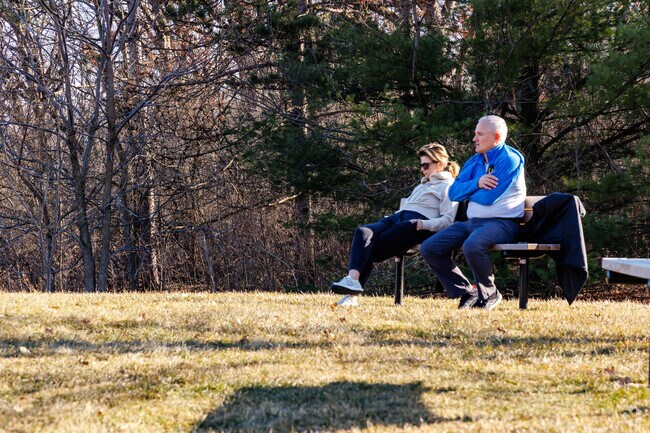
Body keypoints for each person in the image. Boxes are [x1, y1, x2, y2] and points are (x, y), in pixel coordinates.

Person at [331, 143, 460, 306]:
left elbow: (447, 220)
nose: (422, 169)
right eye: (421, 165)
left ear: (440, 164)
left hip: (413, 225)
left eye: (426, 165)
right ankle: (352, 280)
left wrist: (422, 224)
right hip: (395, 219)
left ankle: (351, 297)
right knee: (363, 232)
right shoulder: (422, 185)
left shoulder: (449, 186)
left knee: (369, 249)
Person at [419, 115, 526, 310]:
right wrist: (477, 183)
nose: (474, 139)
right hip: (472, 223)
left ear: (496, 137)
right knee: (429, 248)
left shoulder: (509, 159)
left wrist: (467, 191)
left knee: (472, 245)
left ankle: (489, 293)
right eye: (475, 134)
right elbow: (452, 193)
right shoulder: (474, 161)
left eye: (479, 134)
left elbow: (489, 197)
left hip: (502, 223)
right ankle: (467, 291)